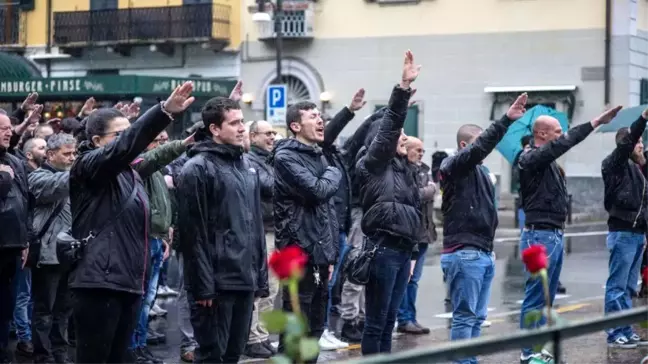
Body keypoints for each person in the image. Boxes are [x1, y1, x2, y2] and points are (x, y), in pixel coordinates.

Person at [69, 82, 195, 364]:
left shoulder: (131, 174)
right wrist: (162, 112)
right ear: (98, 140)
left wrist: (160, 236)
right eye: (120, 134)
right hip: (99, 283)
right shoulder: (88, 166)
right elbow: (127, 148)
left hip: (128, 282)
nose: (129, 140)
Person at [517, 105, 621, 364]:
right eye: (557, 131)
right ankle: (528, 352)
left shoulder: (547, 162)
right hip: (539, 234)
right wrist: (595, 122)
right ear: (541, 134)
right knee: (536, 296)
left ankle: (538, 350)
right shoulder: (530, 157)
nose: (562, 135)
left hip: (552, 234)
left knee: (547, 296)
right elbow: (565, 143)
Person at [177, 97, 269, 364]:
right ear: (215, 129)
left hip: (244, 278)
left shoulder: (245, 165)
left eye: (242, 121)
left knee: (233, 354)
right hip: (217, 283)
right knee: (212, 356)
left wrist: (259, 278)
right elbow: (193, 234)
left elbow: (255, 227)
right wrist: (204, 288)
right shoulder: (197, 168)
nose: (242, 128)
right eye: (235, 123)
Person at [440, 93, 528, 364]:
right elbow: (480, 149)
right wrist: (505, 120)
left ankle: (469, 360)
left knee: (477, 317)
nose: (485, 150)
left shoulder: (480, 172)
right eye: (478, 145)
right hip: (465, 252)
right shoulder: (453, 165)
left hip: (482, 252)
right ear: (464, 145)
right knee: (465, 317)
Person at [355, 50, 421, 356]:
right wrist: (403, 89)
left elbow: (415, 213)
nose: (405, 139)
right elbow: (390, 128)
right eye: (401, 135)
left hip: (402, 250)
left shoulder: (402, 167)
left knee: (390, 320)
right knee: (377, 322)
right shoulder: (374, 163)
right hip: (382, 249)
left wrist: (412, 254)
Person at [270, 98, 341, 363]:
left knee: (315, 329)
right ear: (295, 126)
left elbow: (326, 213)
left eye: (319, 115)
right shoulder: (286, 157)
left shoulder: (319, 155)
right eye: (312, 116)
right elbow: (317, 191)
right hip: (299, 255)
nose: (320, 120)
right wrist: (334, 173)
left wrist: (329, 255)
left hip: (320, 255)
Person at [130, 131, 191, 364]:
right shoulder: (141, 165)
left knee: (148, 298)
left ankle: (141, 344)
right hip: (144, 238)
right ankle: (134, 346)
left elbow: (164, 203)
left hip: (157, 238)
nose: (162, 144)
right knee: (141, 297)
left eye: (165, 140)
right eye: (158, 140)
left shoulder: (158, 169)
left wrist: (166, 231)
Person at [319, 89, 366, 351]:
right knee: (321, 284)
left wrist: (379, 115)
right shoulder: (321, 150)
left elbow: (356, 140)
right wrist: (349, 111)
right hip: (327, 227)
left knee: (330, 282)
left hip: (339, 226)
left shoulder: (337, 155)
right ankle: (320, 330)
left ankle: (323, 329)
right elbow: (329, 135)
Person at [28, 133, 77, 364]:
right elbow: (55, 187)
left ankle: (60, 353)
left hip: (69, 255)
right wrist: (82, 171)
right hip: (47, 255)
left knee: (63, 311)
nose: (72, 158)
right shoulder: (38, 176)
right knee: (44, 310)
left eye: (74, 153)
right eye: (67, 154)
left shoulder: (72, 175)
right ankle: (43, 355)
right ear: (50, 155)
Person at [601, 109, 648, 348]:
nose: (641, 146)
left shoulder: (639, 171)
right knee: (617, 286)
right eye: (638, 142)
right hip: (622, 232)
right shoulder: (615, 165)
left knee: (630, 287)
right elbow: (628, 142)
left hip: (637, 234)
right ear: (626, 144)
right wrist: (643, 119)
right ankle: (614, 333)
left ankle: (626, 330)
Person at [245, 120, 279, 359]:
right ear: (253, 136)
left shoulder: (270, 159)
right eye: (268, 133)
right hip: (260, 231)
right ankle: (252, 338)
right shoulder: (249, 160)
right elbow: (269, 186)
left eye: (274, 133)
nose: (272, 137)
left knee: (272, 289)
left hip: (274, 230)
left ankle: (263, 335)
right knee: (259, 289)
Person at [0, 109, 32, 364]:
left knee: (6, 308)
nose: (8, 131)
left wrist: (25, 241)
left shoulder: (15, 161)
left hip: (12, 247)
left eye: (9, 127)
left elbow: (26, 203)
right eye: (1, 128)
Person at [397, 136, 436, 335]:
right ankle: (404, 318)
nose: (421, 154)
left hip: (423, 233)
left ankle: (410, 317)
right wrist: (430, 189)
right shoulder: (404, 170)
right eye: (417, 150)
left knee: (414, 279)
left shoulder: (424, 170)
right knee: (407, 279)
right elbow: (416, 195)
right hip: (410, 233)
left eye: (422, 150)